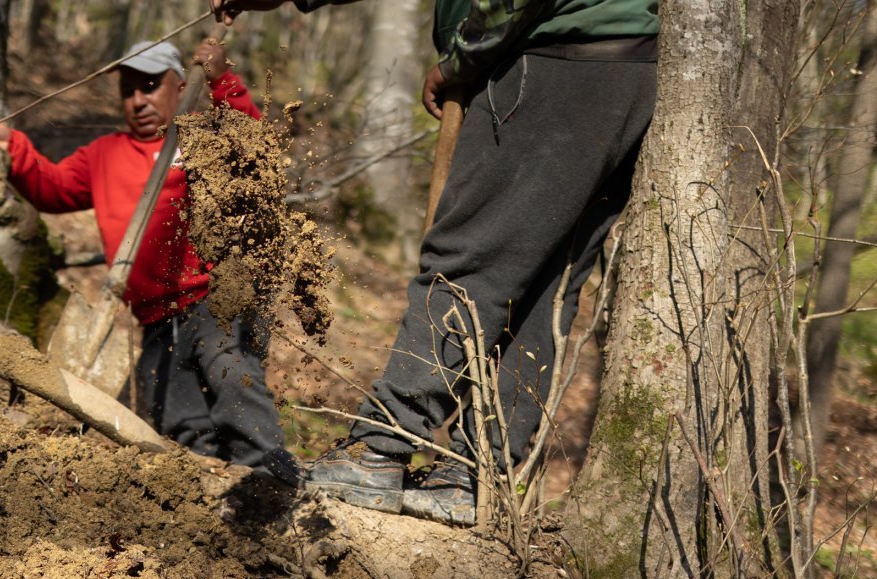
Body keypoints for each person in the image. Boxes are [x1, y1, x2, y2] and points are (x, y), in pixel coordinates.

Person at [211, 0, 658, 523]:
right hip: (631, 73)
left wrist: (463, 57)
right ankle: (476, 476)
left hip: (553, 65)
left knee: (467, 261)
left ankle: (380, 447)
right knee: (544, 288)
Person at [0, 39, 287, 469]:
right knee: (173, 406)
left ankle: (270, 467)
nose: (139, 99)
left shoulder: (202, 136)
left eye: (150, 86)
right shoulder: (103, 154)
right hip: (155, 316)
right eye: (130, 90)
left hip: (214, 299)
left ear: (179, 88)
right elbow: (52, 189)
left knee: (229, 372)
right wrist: (11, 145)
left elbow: (252, 143)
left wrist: (222, 79)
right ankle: (208, 481)